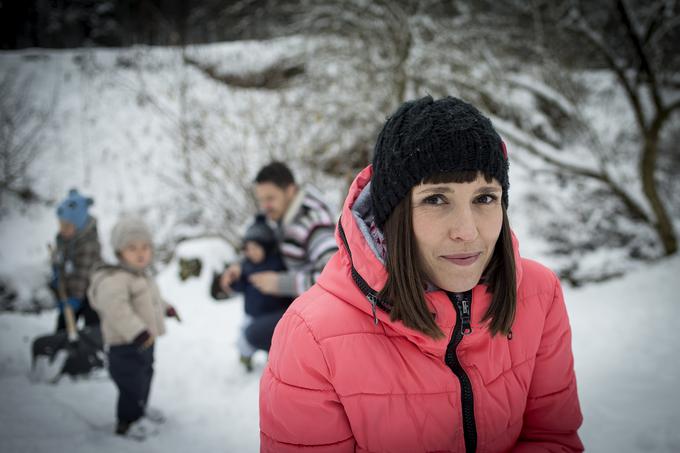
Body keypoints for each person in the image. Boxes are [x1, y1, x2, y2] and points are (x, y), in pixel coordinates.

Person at [259, 96, 583, 452]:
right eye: (435, 199)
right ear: (392, 215)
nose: (467, 231)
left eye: (485, 198)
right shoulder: (313, 337)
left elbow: (553, 439)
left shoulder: (538, 294)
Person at [220, 161, 337, 350]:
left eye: (270, 198)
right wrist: (239, 266)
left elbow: (334, 281)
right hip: (294, 300)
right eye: (261, 200)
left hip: (320, 313)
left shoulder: (315, 223)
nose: (265, 206)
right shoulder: (281, 215)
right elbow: (263, 246)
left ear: (290, 190)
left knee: (254, 333)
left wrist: (281, 283)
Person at [87, 216, 180, 441]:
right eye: (132, 248)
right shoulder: (114, 279)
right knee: (130, 384)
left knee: (145, 376)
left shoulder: (139, 275)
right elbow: (117, 310)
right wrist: (137, 331)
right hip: (125, 345)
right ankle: (127, 422)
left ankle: (141, 409)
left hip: (145, 343)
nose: (141, 253)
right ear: (119, 251)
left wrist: (166, 309)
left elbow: (151, 299)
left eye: (146, 247)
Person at [225, 214, 293, 372]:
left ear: (266, 246)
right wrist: (233, 282)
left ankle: (273, 363)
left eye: (255, 248)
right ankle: (245, 358)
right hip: (251, 314)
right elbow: (240, 286)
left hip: (273, 313)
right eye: (248, 249)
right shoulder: (246, 267)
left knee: (273, 343)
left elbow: (286, 287)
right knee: (243, 342)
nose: (251, 252)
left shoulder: (277, 265)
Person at [50, 188, 102, 332]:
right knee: (65, 323)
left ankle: (94, 345)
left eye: (67, 226)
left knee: (93, 323)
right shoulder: (63, 239)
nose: (62, 230)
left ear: (79, 225)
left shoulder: (88, 244)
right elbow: (61, 263)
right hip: (72, 290)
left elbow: (82, 275)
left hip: (91, 290)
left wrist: (74, 298)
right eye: (60, 224)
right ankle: (63, 343)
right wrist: (56, 273)